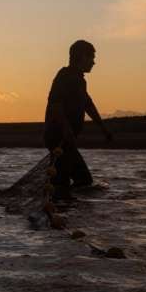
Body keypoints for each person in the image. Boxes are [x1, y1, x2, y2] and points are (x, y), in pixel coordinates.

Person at [43, 40, 112, 200]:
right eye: (91, 57)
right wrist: (66, 130)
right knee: (83, 180)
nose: (94, 62)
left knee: (62, 179)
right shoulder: (64, 76)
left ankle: (61, 208)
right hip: (58, 139)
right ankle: (60, 211)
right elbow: (55, 105)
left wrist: (103, 128)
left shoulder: (79, 80)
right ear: (82, 57)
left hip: (66, 139)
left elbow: (88, 104)